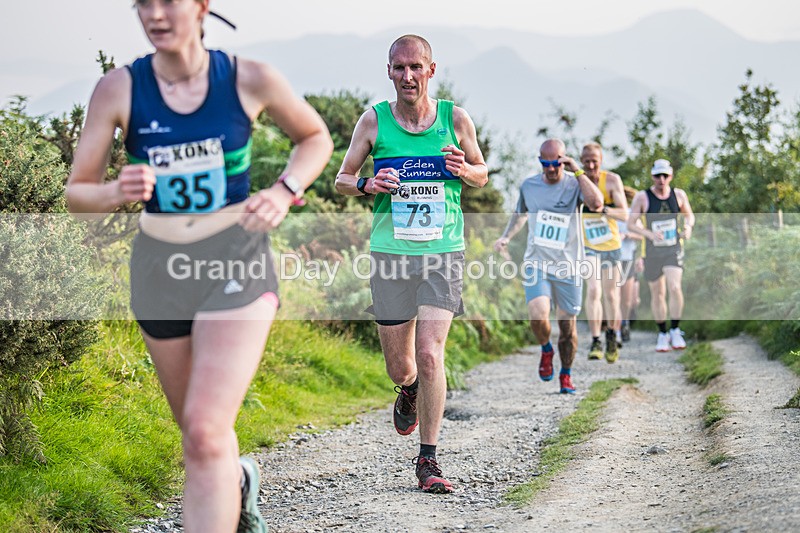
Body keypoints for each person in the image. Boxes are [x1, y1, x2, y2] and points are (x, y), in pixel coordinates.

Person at [65, 1, 333, 531]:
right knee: (198, 435)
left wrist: (284, 191)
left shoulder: (248, 77)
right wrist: (116, 190)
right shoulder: (118, 89)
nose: (156, 14)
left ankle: (226, 486)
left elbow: (315, 138)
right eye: (146, 3)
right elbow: (77, 193)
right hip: (159, 272)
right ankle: (236, 483)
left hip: (235, 259)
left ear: (202, 6)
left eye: (170, 2)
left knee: (208, 431)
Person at [335, 34, 488, 494]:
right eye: (399, 68)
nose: (407, 76)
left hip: (443, 252)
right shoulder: (374, 121)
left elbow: (482, 173)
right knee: (402, 367)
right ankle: (408, 390)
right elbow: (342, 179)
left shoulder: (455, 119)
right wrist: (367, 185)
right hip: (391, 256)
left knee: (430, 352)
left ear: (431, 70)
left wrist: (465, 170)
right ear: (389, 71)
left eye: (415, 67)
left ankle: (429, 460)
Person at [494, 139, 602, 394]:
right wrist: (506, 237)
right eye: (546, 164)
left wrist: (577, 170)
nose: (551, 169)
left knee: (567, 329)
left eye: (556, 164)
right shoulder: (529, 185)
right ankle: (545, 348)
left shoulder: (576, 182)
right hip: (537, 261)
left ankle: (565, 373)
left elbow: (596, 203)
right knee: (538, 313)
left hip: (569, 266)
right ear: (540, 161)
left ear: (564, 160)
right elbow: (520, 214)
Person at [628, 159, 695, 352]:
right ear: (653, 176)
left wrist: (688, 227)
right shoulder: (643, 197)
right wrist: (648, 234)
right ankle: (662, 333)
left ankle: (675, 329)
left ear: (671, 176)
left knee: (674, 286)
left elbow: (689, 215)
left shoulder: (679, 195)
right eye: (658, 176)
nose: (662, 179)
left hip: (672, 248)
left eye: (665, 175)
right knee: (658, 293)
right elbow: (631, 223)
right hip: (652, 251)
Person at [579, 142, 629, 363]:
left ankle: (611, 334)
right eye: (587, 162)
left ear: (601, 161)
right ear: (581, 161)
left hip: (611, 245)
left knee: (611, 295)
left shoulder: (611, 180)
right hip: (587, 246)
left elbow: (625, 214)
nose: (590, 166)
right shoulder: (577, 182)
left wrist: (605, 209)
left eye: (595, 162)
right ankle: (595, 339)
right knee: (593, 291)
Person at [618, 186, 643, 342]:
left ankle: (625, 322)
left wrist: (627, 235)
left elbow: (642, 236)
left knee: (628, 300)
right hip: (610, 259)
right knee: (613, 296)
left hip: (628, 258)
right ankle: (615, 329)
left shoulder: (631, 215)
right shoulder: (608, 214)